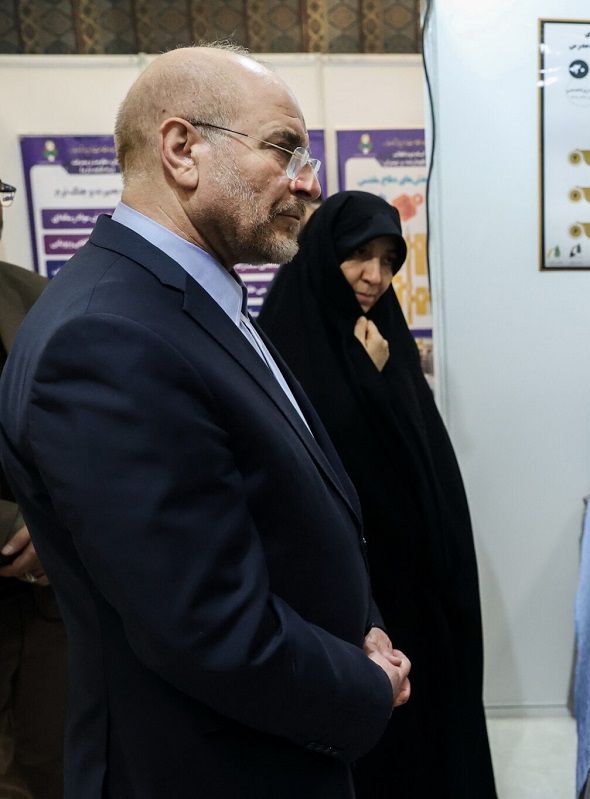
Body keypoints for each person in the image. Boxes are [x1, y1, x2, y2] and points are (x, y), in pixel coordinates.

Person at [0, 45, 412, 796]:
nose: (310, 181)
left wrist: (362, 626)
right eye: (284, 148)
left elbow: (284, 512)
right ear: (182, 149)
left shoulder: (189, 299)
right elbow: (205, 623)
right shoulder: (108, 336)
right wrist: (362, 683)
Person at [258, 191, 496, 798]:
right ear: (322, 254)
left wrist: (382, 373)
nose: (375, 276)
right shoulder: (283, 340)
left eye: (389, 260)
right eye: (359, 255)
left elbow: (419, 458)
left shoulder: (383, 333)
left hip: (415, 585)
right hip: (348, 599)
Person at [0, 181, 66, 799]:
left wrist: (54, 522)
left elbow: (88, 440)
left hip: (49, 606)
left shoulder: (39, 298)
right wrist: (13, 527)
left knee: (55, 770)